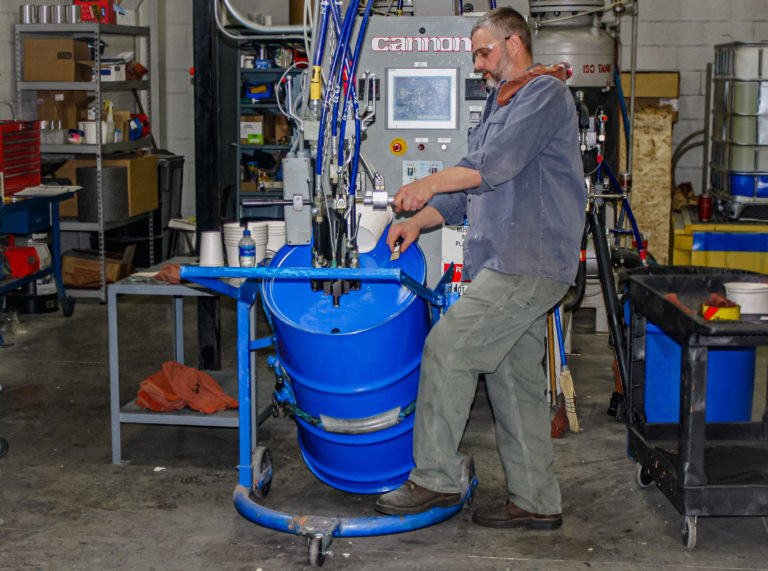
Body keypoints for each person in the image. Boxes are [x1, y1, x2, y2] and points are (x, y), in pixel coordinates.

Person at [374, 7, 586, 530]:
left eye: (484, 53)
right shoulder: (500, 102)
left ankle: (435, 479)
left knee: (447, 349)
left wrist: (428, 182)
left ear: (514, 43)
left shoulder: (544, 96)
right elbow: (470, 183)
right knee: (513, 382)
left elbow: (496, 166)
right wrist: (419, 221)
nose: (480, 65)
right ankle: (536, 501)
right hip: (505, 262)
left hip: (527, 264)